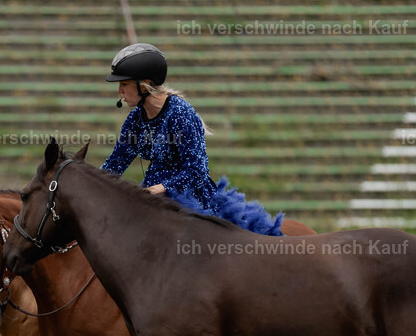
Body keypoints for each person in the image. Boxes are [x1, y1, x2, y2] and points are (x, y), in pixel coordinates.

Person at [101, 43, 283, 236]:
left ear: (144, 84)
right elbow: (116, 163)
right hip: (153, 196)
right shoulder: (135, 118)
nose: (119, 91)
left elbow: (198, 170)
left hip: (189, 198)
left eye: (124, 84)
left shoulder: (180, 113)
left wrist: (162, 188)